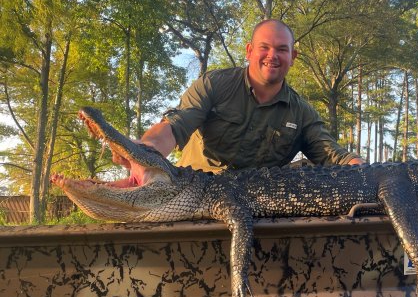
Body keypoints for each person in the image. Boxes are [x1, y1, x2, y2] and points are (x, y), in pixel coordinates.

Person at [114, 19, 362, 180]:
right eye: (264, 47)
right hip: (194, 191)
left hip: (254, 204)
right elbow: (174, 127)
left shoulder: (301, 113)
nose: (272, 56)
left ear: (293, 57)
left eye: (282, 49)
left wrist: (368, 171)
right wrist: (144, 151)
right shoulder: (214, 85)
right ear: (249, 51)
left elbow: (334, 156)